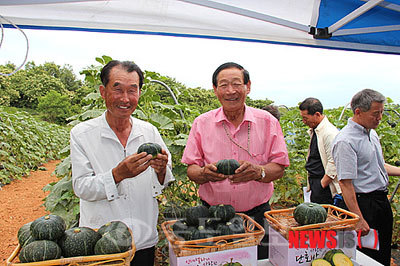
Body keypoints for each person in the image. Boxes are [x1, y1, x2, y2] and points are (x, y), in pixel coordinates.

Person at [181, 62, 290, 260]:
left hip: (256, 217)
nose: (230, 91)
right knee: (215, 261)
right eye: (223, 85)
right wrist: (204, 174)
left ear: (248, 86)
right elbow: (192, 169)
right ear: (215, 90)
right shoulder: (201, 123)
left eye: (236, 84)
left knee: (259, 262)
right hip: (212, 217)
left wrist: (260, 172)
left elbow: (279, 167)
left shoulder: (267, 122)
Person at [70, 60, 174, 266]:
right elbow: (81, 187)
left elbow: (165, 178)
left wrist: (162, 170)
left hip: (143, 238)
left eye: (132, 91)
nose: (125, 99)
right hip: (102, 242)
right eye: (117, 90)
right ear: (103, 91)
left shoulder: (149, 131)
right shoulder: (82, 134)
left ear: (139, 93)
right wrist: (117, 174)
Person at [332, 89, 400, 266]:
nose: (380, 118)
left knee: (383, 251)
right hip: (364, 205)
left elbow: (379, 166)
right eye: (375, 114)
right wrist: (359, 218)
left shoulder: (372, 133)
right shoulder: (345, 141)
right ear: (358, 112)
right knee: (368, 257)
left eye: (382, 112)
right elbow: (345, 184)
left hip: (379, 202)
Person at [299, 98, 345, 209]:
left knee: (325, 219)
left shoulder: (329, 133)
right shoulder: (315, 130)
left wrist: (322, 184)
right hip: (316, 183)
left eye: (305, 118)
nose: (304, 121)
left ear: (317, 114)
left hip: (325, 187)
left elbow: (333, 161)